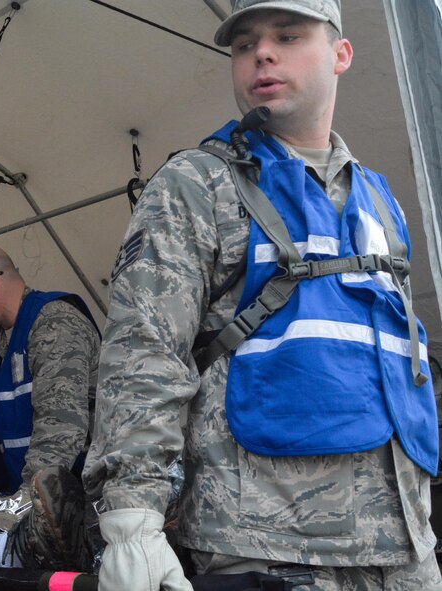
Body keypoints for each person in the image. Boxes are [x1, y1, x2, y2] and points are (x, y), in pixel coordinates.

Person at [83, 1, 441, 589]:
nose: (262, 54)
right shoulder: (198, 184)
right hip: (268, 547)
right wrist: (132, 520)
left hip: (403, 551)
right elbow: (144, 353)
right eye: (244, 45)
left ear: (341, 54)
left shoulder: (379, 200)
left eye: (288, 35)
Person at [0, 243, 100, 569]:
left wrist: (19, 512)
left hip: (91, 509)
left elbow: (59, 431)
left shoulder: (55, 324)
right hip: (43, 510)